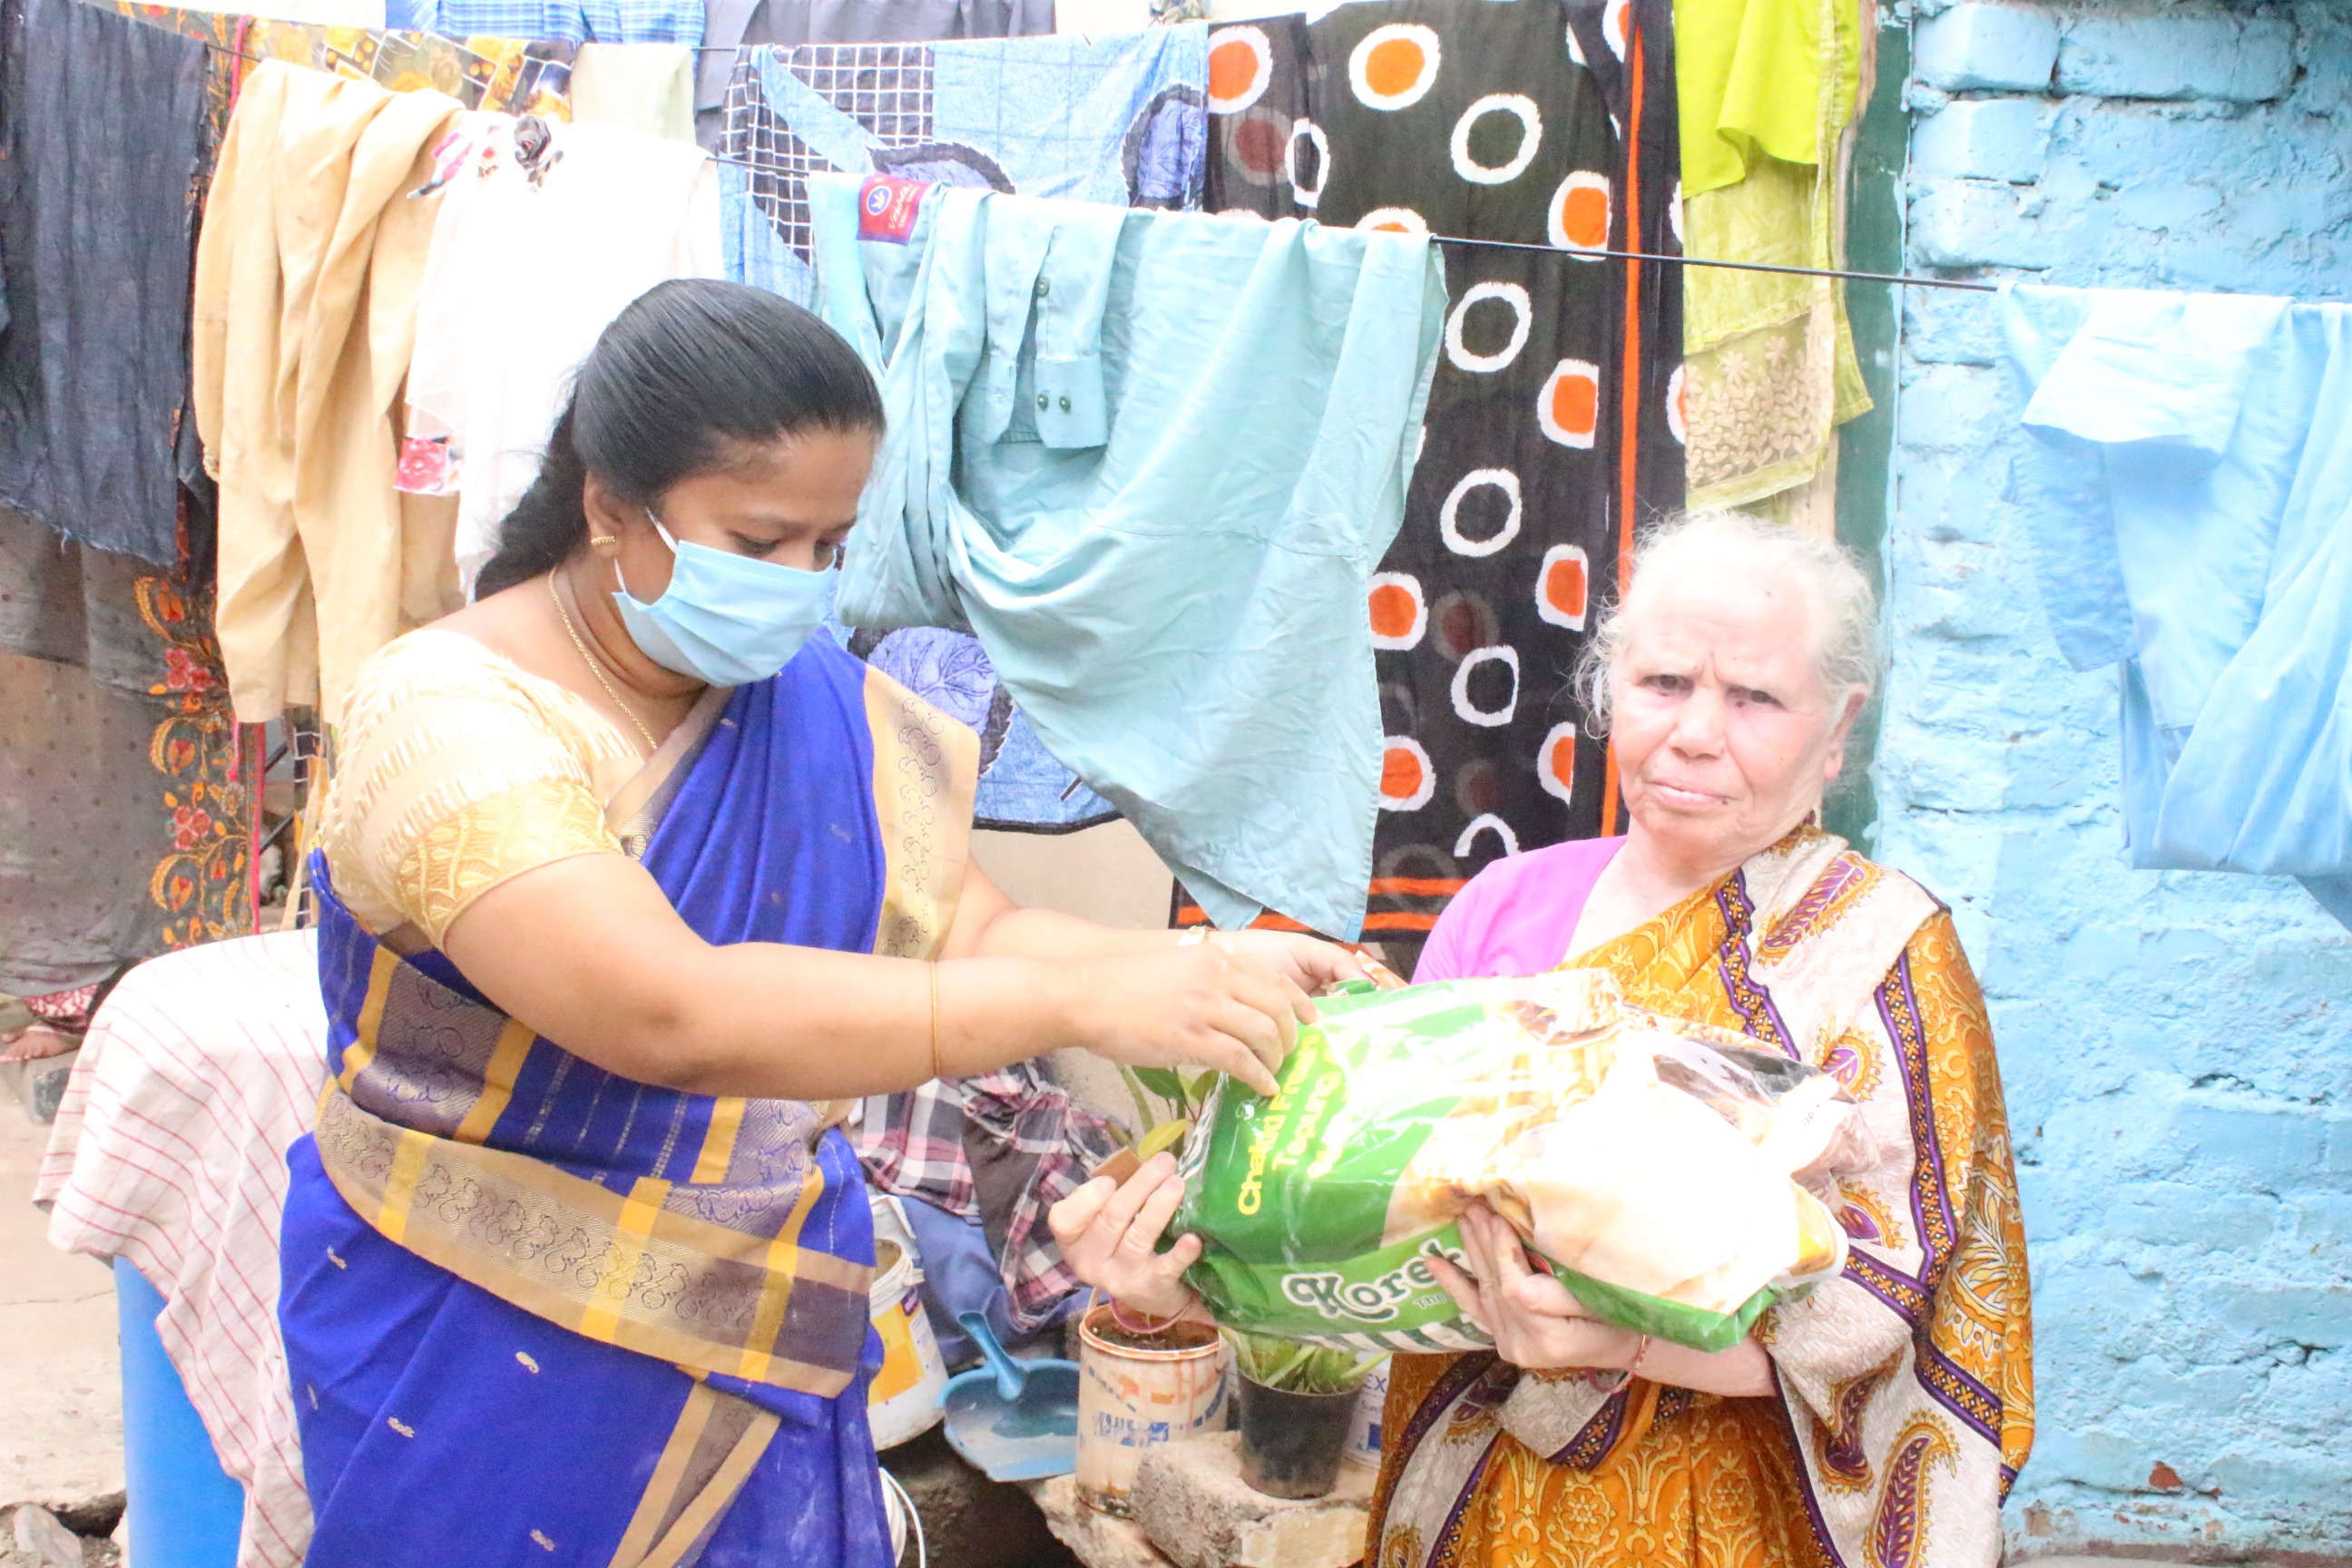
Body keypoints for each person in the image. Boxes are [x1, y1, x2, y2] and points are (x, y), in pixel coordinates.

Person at [282, 279, 1363, 1568]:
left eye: (829, 547)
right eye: (758, 541)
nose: (801, 586)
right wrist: (1085, 1003)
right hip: (472, 1324)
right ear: (610, 508)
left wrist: (1200, 962)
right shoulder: (448, 718)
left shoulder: (804, 699)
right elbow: (666, 1011)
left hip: (754, 1319)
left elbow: (972, 934)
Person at [1053, 510, 2033, 1568]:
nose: (1698, 731)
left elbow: (1894, 1311)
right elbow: (1384, 1235)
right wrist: (1190, 1276)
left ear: (1839, 727)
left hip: (1735, 1523)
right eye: (1664, 684)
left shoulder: (1880, 950)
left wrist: (1627, 1345)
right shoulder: (1504, 910)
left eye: (1754, 698)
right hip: (1472, 1501)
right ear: (1610, 687)